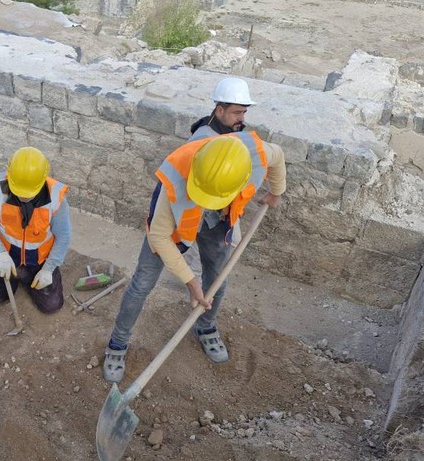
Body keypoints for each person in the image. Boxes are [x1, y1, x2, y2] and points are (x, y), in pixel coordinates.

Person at [102, 131, 287, 383]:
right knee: (142, 283)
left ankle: (206, 326)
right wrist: (191, 282)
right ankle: (118, 343)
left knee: (218, 281)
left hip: (219, 219)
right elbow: (159, 238)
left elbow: (278, 156)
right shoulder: (176, 178)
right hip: (177, 223)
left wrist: (277, 191)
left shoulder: (256, 153)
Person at [0, 147, 72, 314]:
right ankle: (5, 268)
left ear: (43, 179)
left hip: (39, 260)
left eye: (29, 193)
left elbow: (63, 236)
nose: (24, 197)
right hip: (7, 255)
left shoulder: (56, 198)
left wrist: (49, 268)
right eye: (19, 191)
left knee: (51, 306)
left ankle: (30, 275)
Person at [189, 77, 255, 140]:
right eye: (237, 113)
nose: (241, 118)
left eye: (243, 112)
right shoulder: (205, 139)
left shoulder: (226, 130)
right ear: (220, 111)